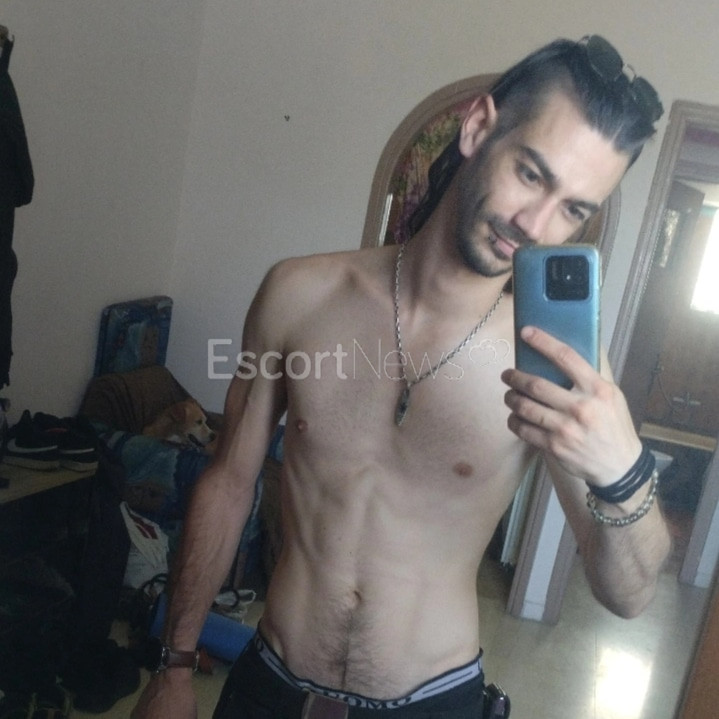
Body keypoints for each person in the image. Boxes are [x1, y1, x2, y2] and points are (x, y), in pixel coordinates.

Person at [132, 35, 672, 719]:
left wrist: (623, 473)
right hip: (270, 683)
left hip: (432, 701)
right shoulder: (299, 296)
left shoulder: (555, 362)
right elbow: (229, 480)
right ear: (477, 128)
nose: (534, 224)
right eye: (532, 174)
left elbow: (628, 595)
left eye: (573, 209)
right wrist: (175, 664)